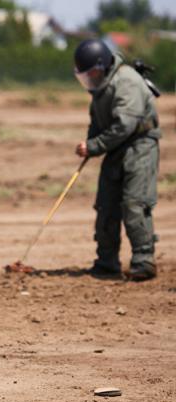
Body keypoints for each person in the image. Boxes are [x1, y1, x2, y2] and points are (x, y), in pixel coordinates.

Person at [73, 39, 160, 281]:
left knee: (134, 204)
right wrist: (90, 145)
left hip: (139, 147)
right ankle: (107, 262)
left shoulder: (127, 81)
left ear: (101, 67)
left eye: (90, 74)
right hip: (115, 149)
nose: (88, 81)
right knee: (106, 206)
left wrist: (95, 145)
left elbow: (125, 125)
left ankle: (144, 261)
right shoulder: (101, 89)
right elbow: (98, 123)